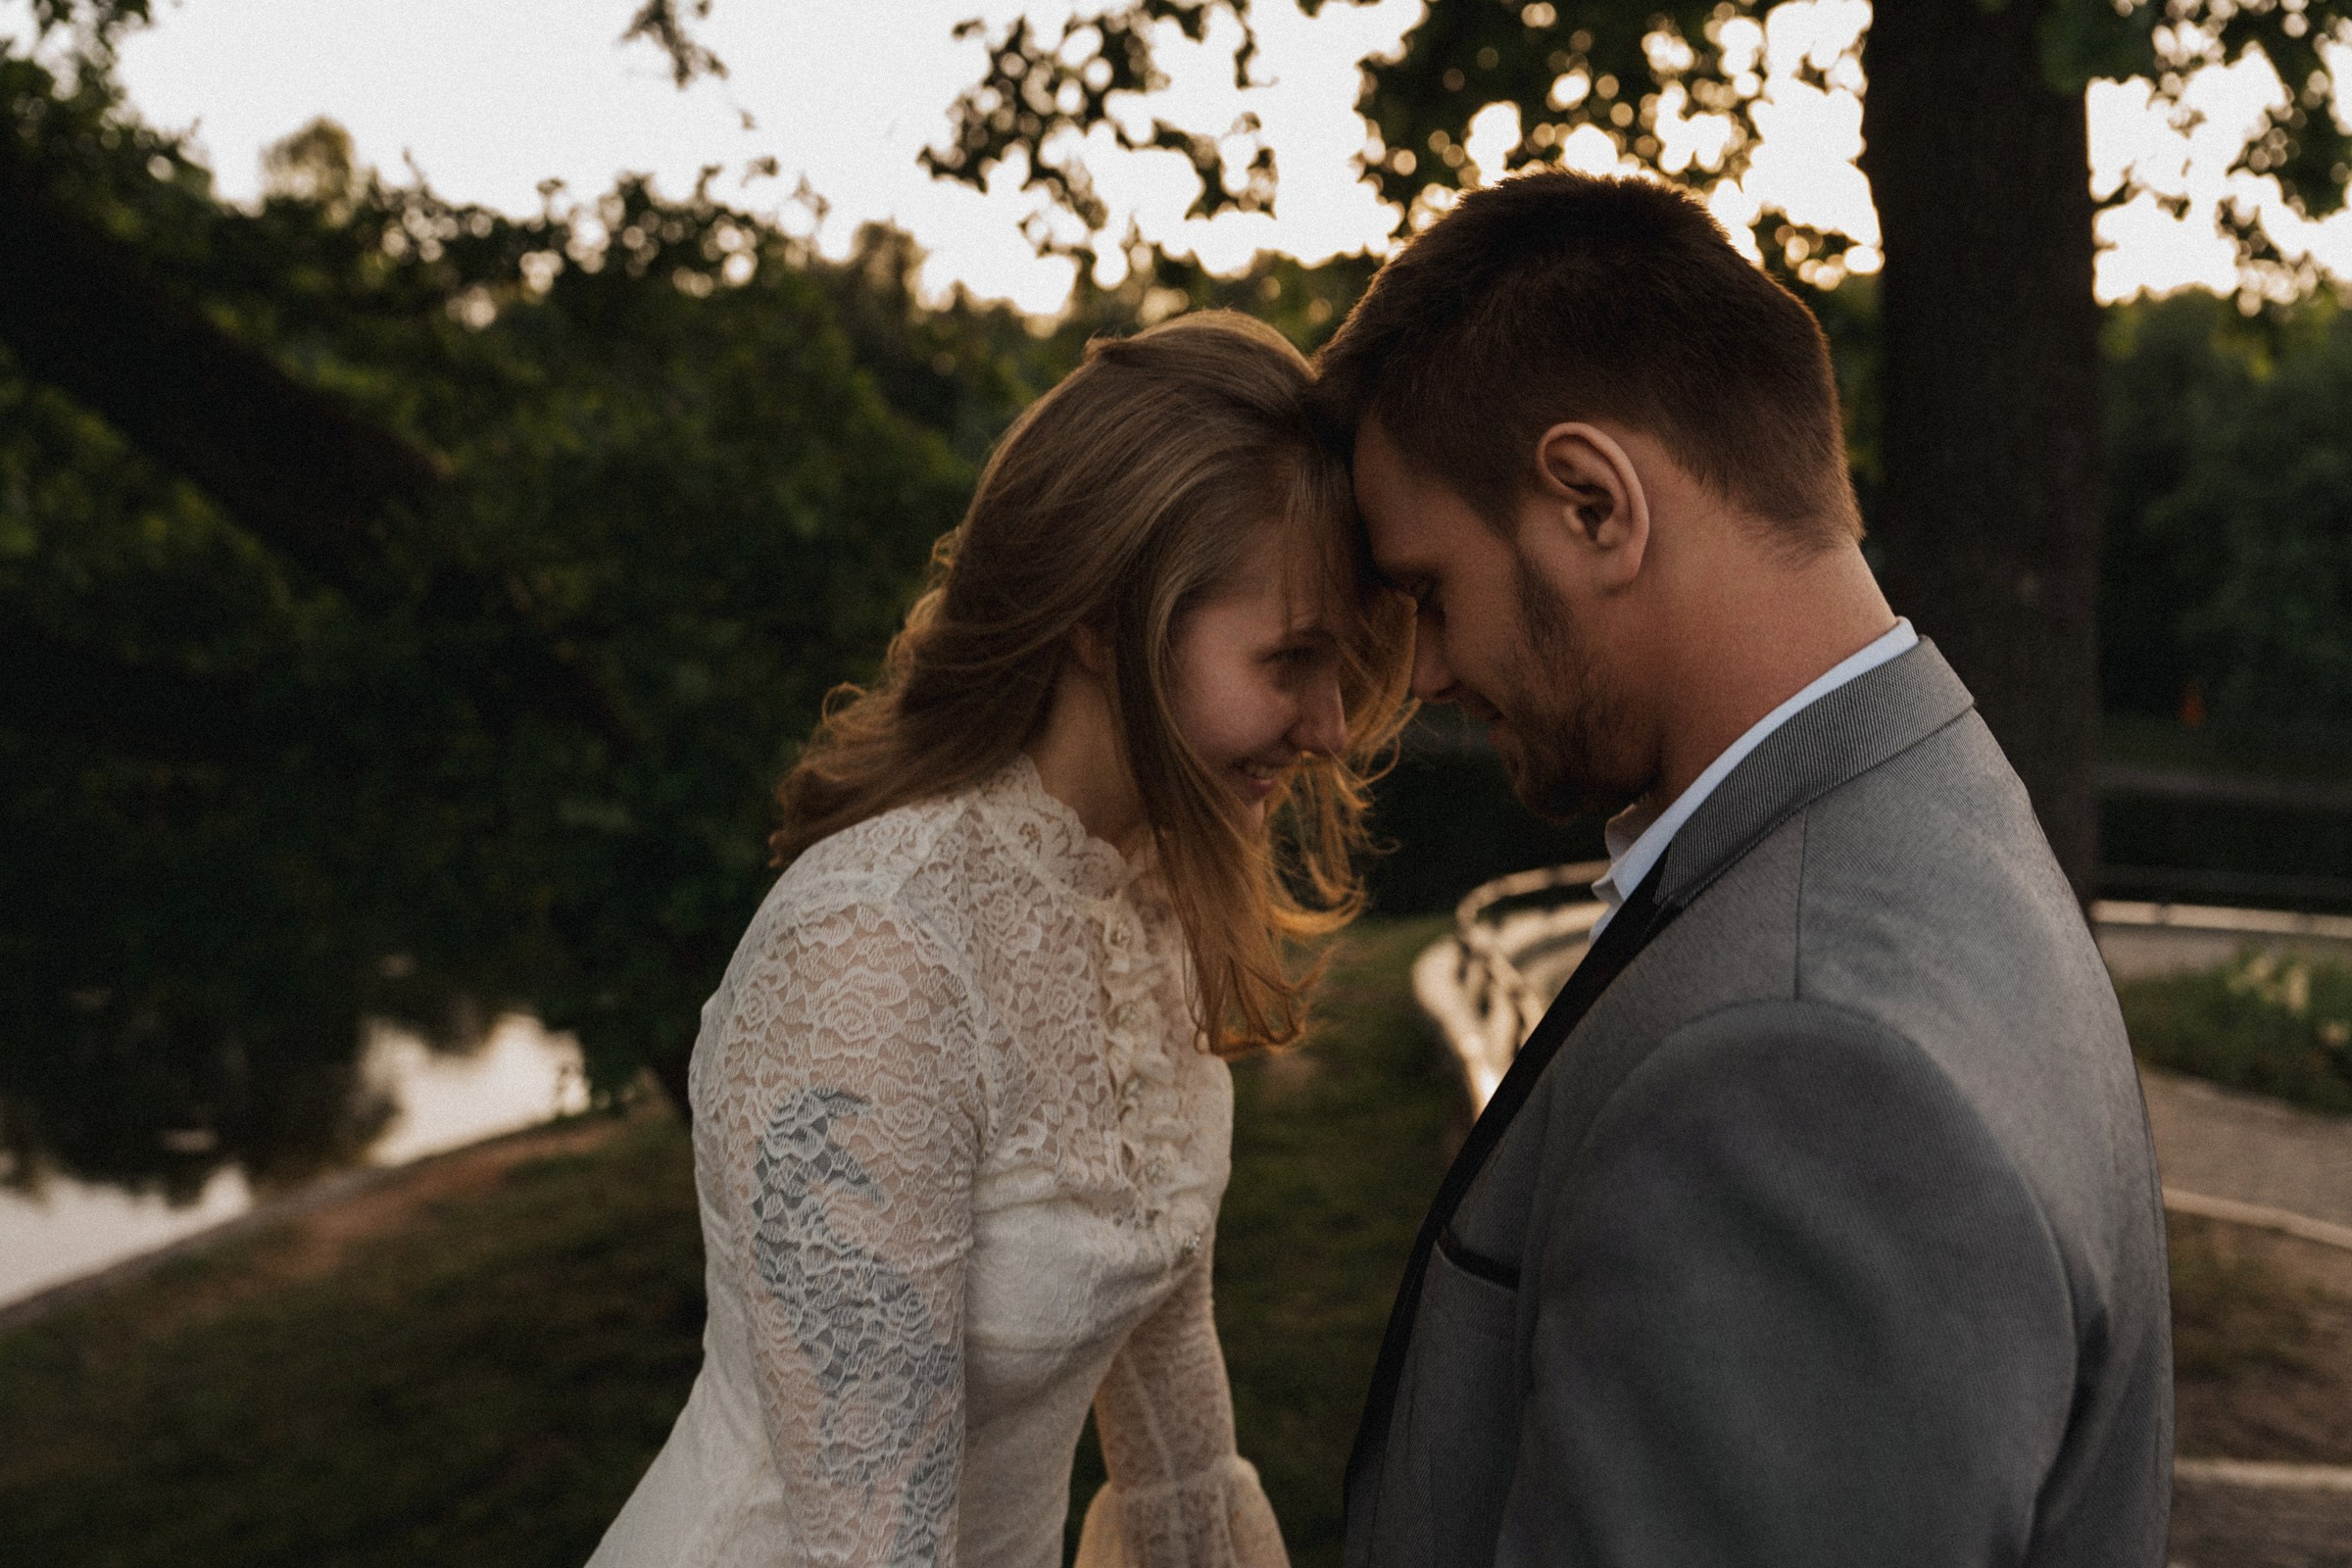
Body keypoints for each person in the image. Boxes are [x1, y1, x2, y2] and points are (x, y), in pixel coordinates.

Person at [1315, 171, 2172, 1566]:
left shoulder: (1798, 1072)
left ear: (1595, 503)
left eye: (1428, 592)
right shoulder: (1942, 809)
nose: (1419, 673)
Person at [585, 311, 1411, 1568]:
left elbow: (1167, 1347)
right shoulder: (875, 955)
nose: (1332, 727)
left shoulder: (1140, 888)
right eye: (1292, 658)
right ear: (1100, 620)